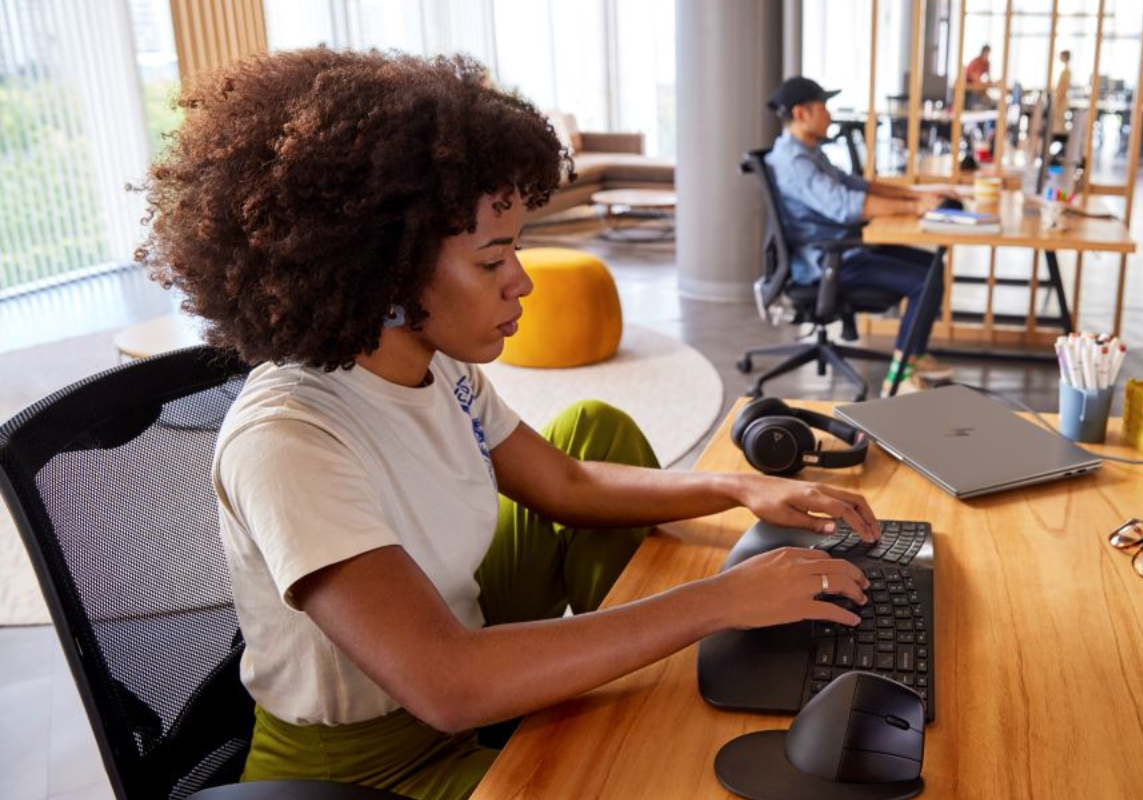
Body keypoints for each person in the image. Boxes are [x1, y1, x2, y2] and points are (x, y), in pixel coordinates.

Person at [136, 49, 885, 800]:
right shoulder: (288, 439)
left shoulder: (438, 364)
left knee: (594, 425)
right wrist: (718, 602)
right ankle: (663, 675)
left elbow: (564, 481)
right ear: (383, 274)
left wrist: (738, 486)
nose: (520, 280)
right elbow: (448, 684)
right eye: (493, 261)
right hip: (372, 767)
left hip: (463, 643)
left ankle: (665, 676)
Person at [764, 76, 957, 396]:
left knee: (932, 265)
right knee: (925, 279)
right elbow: (845, 206)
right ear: (801, 114)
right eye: (823, 107)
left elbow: (856, 185)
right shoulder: (794, 161)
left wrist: (915, 194)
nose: (829, 114)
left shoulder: (806, 151)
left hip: (840, 249)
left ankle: (913, 356)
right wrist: (916, 206)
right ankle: (901, 378)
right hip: (827, 259)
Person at [963, 44, 996, 109]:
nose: (987, 56)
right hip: (969, 84)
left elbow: (989, 77)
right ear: (982, 53)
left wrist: (991, 83)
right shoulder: (975, 62)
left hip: (977, 85)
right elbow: (972, 76)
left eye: (988, 54)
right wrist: (981, 83)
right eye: (986, 54)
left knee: (987, 97)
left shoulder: (987, 63)